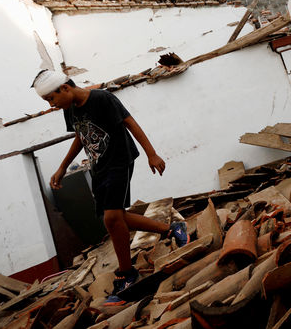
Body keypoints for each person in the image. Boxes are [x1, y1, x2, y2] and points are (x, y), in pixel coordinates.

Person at [32, 69, 188, 305]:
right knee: (116, 217)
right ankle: (171, 229)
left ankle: (127, 274)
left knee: (111, 219)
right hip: (98, 167)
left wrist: (152, 154)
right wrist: (63, 167)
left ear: (64, 88)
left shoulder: (101, 98)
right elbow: (81, 136)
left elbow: (129, 122)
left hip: (119, 160)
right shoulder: (70, 108)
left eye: (51, 99)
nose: (52, 105)